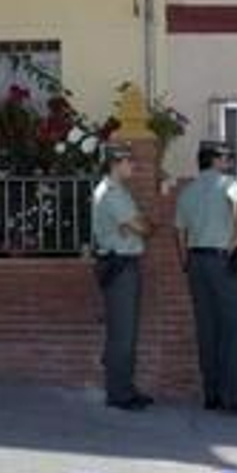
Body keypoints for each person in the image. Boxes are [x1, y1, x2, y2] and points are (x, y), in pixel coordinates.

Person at [175, 140, 237, 415]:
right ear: (213, 159)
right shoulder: (228, 182)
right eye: (226, 156)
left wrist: (185, 262)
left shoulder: (187, 191)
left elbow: (179, 231)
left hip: (196, 262)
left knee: (207, 329)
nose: (230, 161)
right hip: (221, 262)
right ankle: (232, 397)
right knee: (233, 330)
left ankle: (211, 394)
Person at [91, 143, 153, 411]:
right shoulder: (113, 193)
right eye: (129, 161)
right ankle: (118, 393)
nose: (134, 165)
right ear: (116, 163)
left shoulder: (113, 190)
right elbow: (142, 227)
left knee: (123, 332)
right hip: (121, 267)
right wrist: (143, 225)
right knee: (123, 334)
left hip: (119, 264)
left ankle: (125, 387)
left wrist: (138, 226)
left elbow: (137, 226)